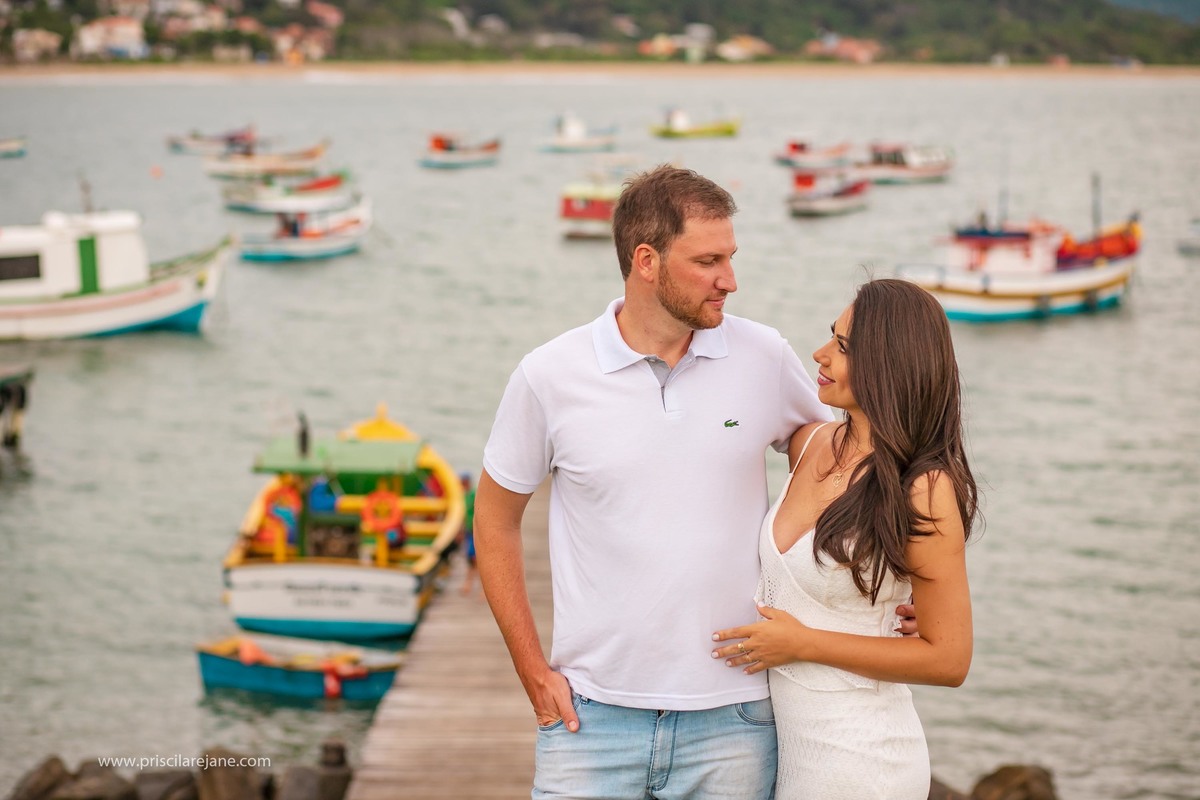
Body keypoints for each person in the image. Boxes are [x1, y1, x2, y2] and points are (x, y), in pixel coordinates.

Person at [477, 165, 902, 799]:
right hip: (589, 719)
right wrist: (531, 670)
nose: (730, 280)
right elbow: (493, 519)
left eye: (729, 257)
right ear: (646, 260)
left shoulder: (763, 356)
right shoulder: (548, 375)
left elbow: (849, 463)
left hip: (735, 719)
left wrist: (894, 592)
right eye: (707, 261)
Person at [711, 278, 979, 800]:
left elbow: (949, 661)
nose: (820, 353)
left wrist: (803, 643)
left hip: (865, 762)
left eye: (843, 346)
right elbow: (721, 422)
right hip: (785, 753)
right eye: (831, 337)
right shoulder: (809, 443)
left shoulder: (922, 489)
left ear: (889, 363)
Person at [458, 471, 478, 595]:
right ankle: (468, 585)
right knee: (471, 559)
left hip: (474, 530)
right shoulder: (463, 496)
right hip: (468, 531)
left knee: (475, 559)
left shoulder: (473, 494)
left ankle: (470, 585)